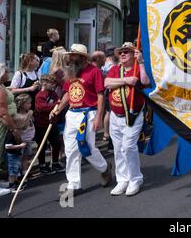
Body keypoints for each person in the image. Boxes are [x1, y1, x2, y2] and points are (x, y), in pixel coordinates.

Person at [50, 44, 111, 196]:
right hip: (72, 113)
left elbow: (100, 96)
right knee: (70, 150)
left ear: (82, 57)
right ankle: (73, 185)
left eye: (73, 55)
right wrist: (57, 109)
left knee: (87, 148)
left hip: (88, 113)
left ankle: (104, 168)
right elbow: (67, 94)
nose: (69, 58)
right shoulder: (71, 71)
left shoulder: (94, 71)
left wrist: (98, 117)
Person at [105, 42, 150, 196]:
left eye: (127, 52)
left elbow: (145, 82)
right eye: (121, 52)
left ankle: (136, 179)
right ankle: (122, 179)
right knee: (118, 149)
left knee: (128, 147)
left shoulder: (138, 68)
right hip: (114, 116)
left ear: (134, 55)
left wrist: (142, 63)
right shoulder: (114, 70)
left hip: (133, 115)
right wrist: (126, 81)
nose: (123, 54)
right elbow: (107, 83)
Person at [0, 63, 18, 197]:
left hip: (0, 125)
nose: (8, 73)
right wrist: (14, 129)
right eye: (6, 71)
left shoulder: (0, 87)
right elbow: (2, 113)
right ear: (0, 73)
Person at [34, 75, 64, 174]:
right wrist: (54, 105)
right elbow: (41, 107)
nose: (53, 85)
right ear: (44, 84)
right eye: (51, 83)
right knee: (42, 145)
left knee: (56, 142)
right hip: (41, 124)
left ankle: (54, 162)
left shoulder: (53, 93)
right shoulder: (40, 95)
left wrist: (56, 105)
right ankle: (42, 165)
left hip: (52, 123)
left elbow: (58, 102)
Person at [13, 94, 35, 176]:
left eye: (30, 103)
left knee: (26, 157)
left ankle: (25, 172)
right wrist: (28, 116)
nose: (30, 105)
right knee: (19, 157)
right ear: (21, 105)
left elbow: (32, 123)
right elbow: (23, 127)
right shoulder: (17, 116)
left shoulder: (28, 113)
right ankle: (17, 174)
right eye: (28, 103)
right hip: (21, 141)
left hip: (29, 140)